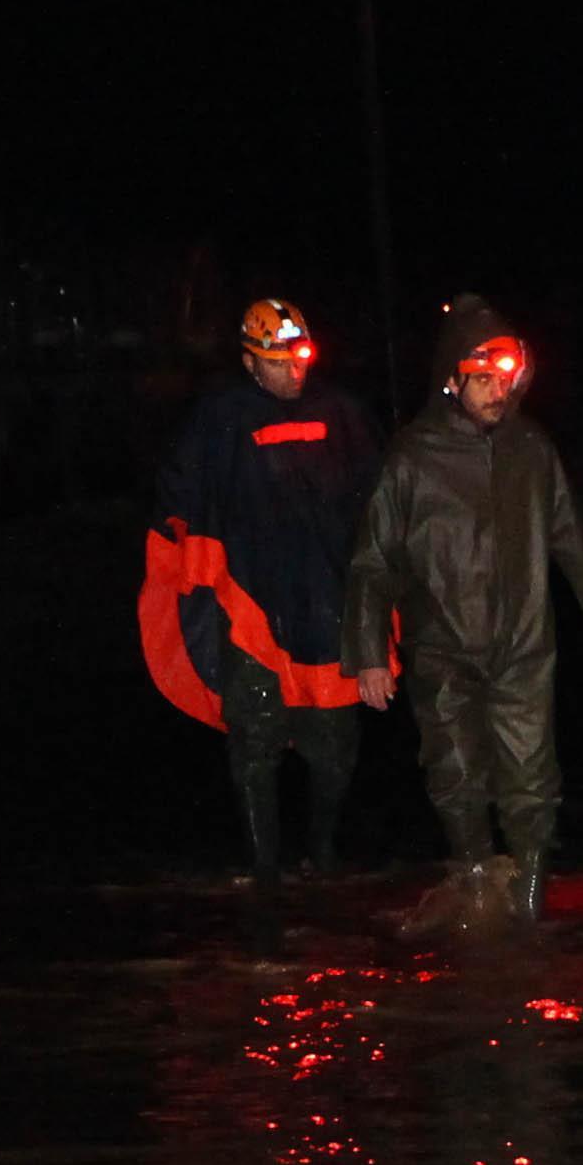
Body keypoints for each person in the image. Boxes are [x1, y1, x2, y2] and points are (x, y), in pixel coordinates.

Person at [342, 296, 583, 925]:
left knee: (533, 779)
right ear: (452, 381)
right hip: (441, 646)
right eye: (481, 378)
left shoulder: (531, 449)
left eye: (503, 378)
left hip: (523, 644)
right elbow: (374, 561)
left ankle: (530, 908)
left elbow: (568, 530)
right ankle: (477, 886)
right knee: (455, 773)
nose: (495, 391)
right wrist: (370, 655)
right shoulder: (412, 456)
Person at [143, 297, 381, 950]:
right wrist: (177, 542)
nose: (293, 373)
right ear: (250, 362)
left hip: (326, 603)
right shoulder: (220, 417)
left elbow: (380, 499)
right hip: (248, 606)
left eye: (301, 359)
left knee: (336, 746)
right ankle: (266, 873)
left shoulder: (342, 414)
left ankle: (322, 851)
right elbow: (178, 490)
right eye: (279, 363)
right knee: (255, 741)